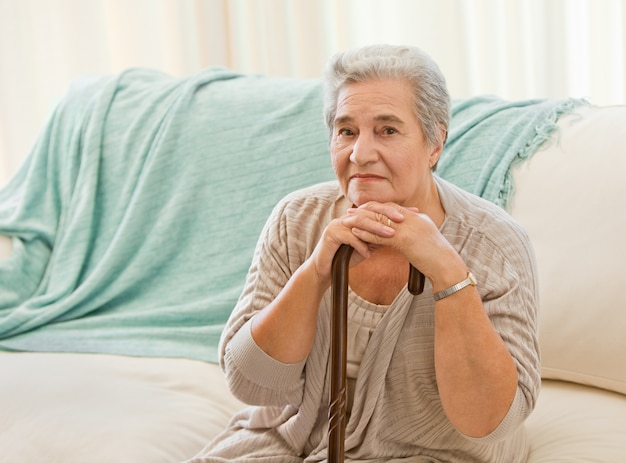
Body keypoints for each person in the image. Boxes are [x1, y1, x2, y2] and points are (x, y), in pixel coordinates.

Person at [187, 44, 540, 462]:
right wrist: (316, 270)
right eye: (347, 131)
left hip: (437, 453)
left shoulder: (495, 243)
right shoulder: (297, 220)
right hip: (291, 443)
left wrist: (447, 272)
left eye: (388, 130)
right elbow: (251, 386)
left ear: (435, 143)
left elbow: (489, 422)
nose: (360, 153)